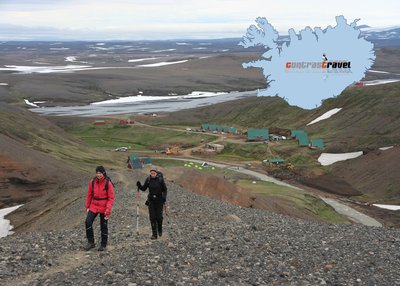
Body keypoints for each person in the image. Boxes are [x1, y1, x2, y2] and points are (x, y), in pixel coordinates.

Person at [84, 166, 115, 251]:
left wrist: (108, 210)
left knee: (103, 226)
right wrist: (87, 206)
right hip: (93, 205)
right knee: (88, 222)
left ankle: (103, 244)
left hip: (104, 207)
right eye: (97, 173)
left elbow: (111, 198)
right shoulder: (92, 182)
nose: (98, 175)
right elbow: (89, 194)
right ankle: (91, 242)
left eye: (100, 173)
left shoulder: (108, 183)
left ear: (103, 173)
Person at [136, 166, 167, 239]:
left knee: (159, 218)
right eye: (151, 172)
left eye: (154, 172)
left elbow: (165, 190)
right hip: (151, 201)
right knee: (152, 217)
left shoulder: (160, 180)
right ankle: (154, 234)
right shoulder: (148, 179)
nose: (152, 173)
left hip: (159, 200)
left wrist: (164, 197)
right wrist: (139, 185)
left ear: (156, 173)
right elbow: (144, 188)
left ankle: (160, 229)